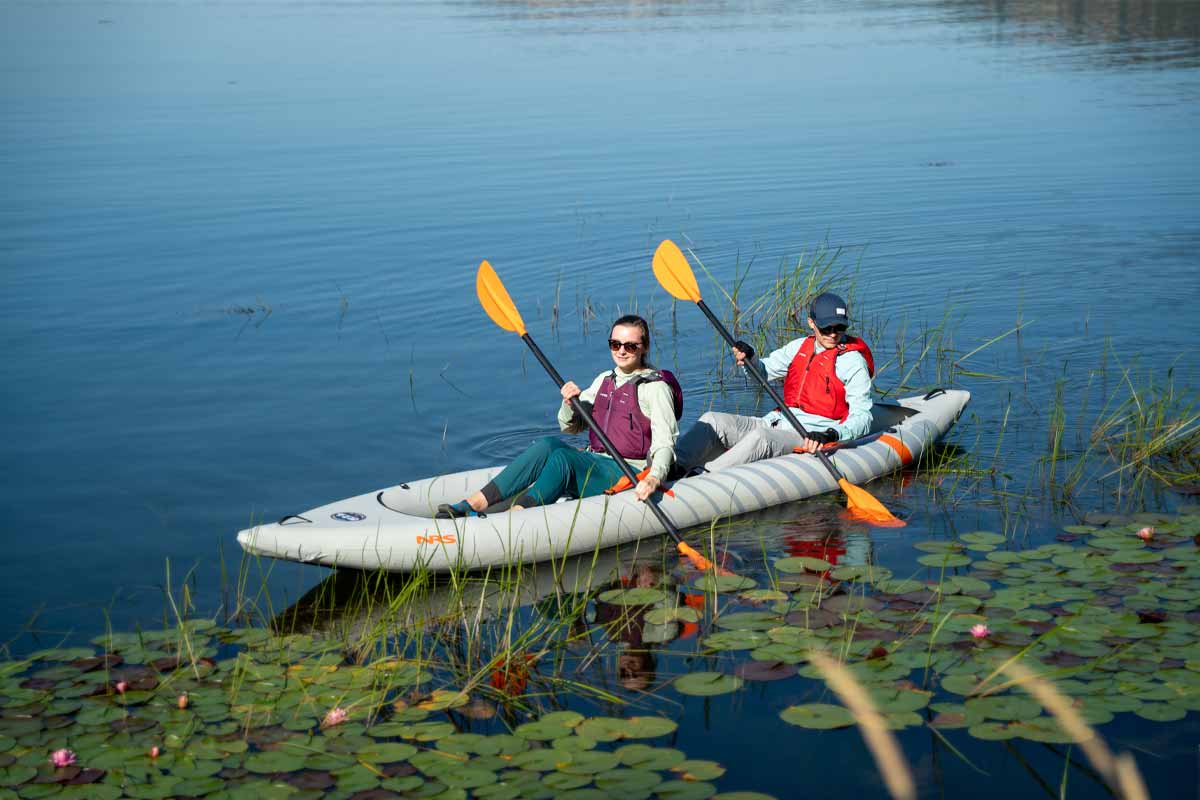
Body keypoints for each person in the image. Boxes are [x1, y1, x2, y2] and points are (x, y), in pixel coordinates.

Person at [437, 315, 680, 518]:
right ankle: (474, 503)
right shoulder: (605, 380)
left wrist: (654, 478)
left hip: (628, 472)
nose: (622, 351)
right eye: (615, 344)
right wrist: (569, 404)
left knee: (564, 458)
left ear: (644, 347)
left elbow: (665, 442)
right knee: (547, 445)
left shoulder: (655, 388)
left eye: (630, 346)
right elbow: (569, 427)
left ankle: (516, 516)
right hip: (597, 461)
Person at [673, 291, 874, 473]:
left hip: (808, 436)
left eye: (840, 327)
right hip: (775, 422)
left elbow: (863, 417)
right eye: (826, 328)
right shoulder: (799, 347)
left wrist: (830, 435)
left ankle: (701, 478)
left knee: (762, 437)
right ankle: (672, 467)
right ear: (811, 323)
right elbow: (762, 372)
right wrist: (750, 358)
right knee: (712, 420)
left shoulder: (853, 362)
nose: (833, 334)